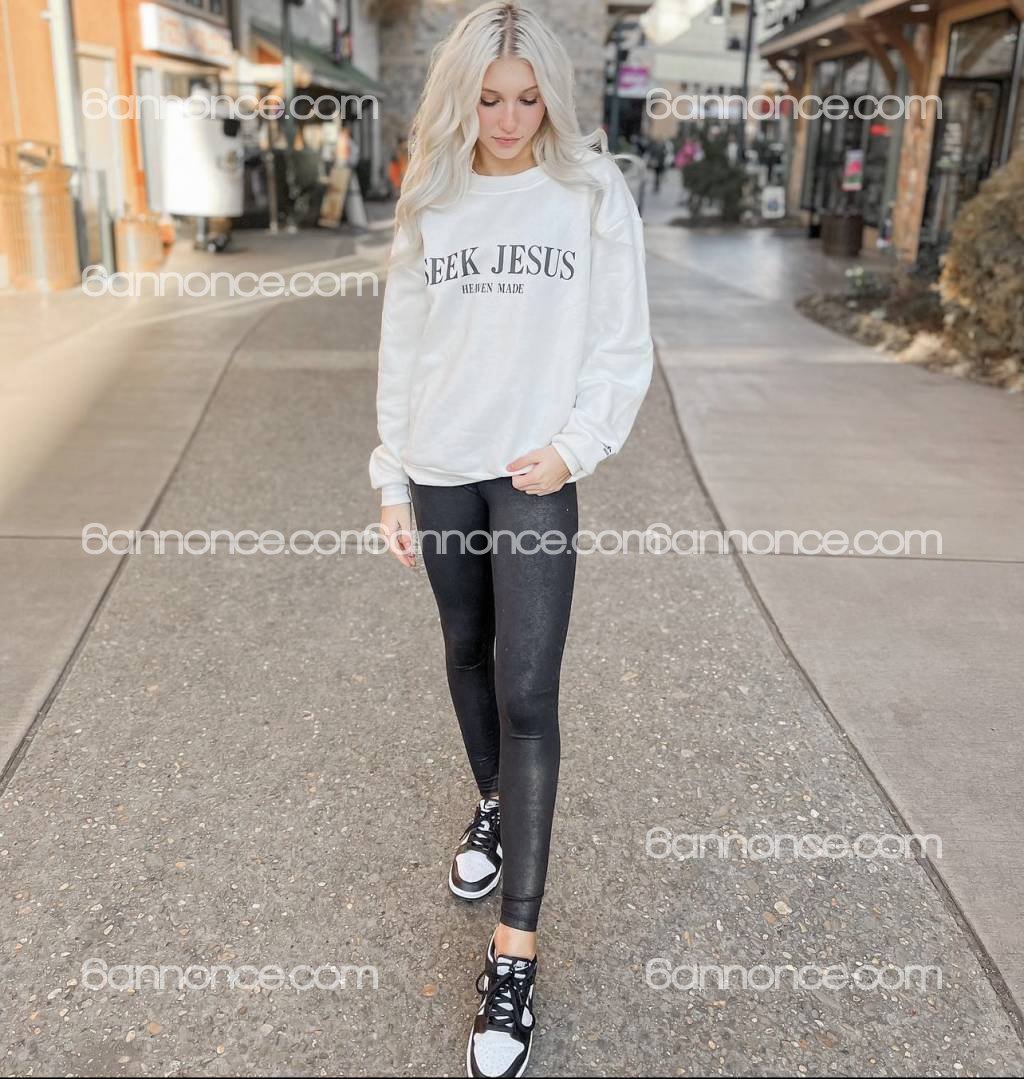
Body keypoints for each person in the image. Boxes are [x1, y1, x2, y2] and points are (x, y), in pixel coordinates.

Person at [367, 3, 654, 1075]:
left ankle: (514, 954)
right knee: (466, 650)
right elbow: (404, 343)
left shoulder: (590, 191)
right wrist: (391, 476)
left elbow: (621, 340)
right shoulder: (432, 194)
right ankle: (492, 802)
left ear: (552, 98)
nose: (507, 118)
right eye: (489, 98)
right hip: (441, 464)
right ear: (462, 96)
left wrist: (576, 447)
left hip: (536, 474)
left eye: (527, 98)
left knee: (529, 689)